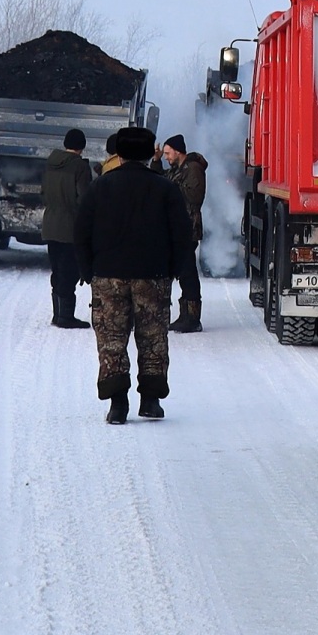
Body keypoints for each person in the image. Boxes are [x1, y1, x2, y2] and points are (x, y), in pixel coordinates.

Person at [74, 126, 195, 424]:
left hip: (108, 276)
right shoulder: (166, 188)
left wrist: (86, 269)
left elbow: (81, 231)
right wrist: (174, 270)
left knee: (112, 339)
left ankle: (117, 404)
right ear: (146, 154)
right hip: (152, 276)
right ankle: (150, 401)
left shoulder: (100, 187)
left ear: (121, 153)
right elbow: (182, 234)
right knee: (152, 337)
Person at [40, 127, 94, 328]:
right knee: (69, 271)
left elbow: (43, 193)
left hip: (50, 224)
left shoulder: (50, 163)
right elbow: (84, 198)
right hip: (70, 227)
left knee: (56, 270)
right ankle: (66, 317)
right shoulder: (80, 166)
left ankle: (57, 314)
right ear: (82, 147)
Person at [161, 134, 208, 333]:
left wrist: (172, 189)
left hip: (188, 228)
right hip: (177, 228)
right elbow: (160, 180)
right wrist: (155, 162)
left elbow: (195, 196)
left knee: (187, 271)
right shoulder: (178, 169)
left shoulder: (193, 169)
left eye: (167, 153)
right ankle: (185, 315)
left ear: (178, 151)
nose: (166, 157)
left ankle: (192, 317)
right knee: (181, 270)